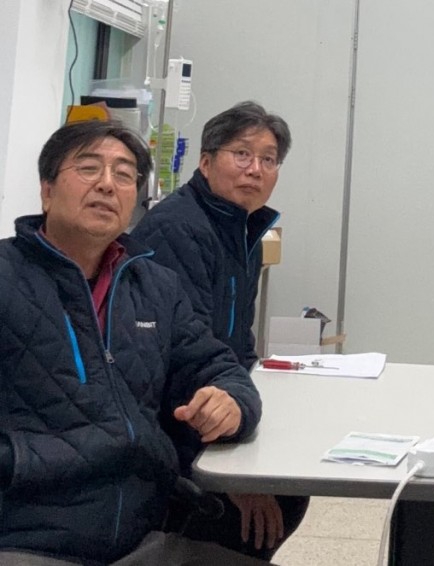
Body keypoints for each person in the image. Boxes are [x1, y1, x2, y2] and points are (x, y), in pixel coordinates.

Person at [0, 120, 268, 565]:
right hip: (28, 538)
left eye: (124, 175)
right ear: (47, 191)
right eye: (89, 169)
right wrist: (20, 463)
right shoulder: (7, 277)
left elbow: (219, 367)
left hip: (141, 537)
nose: (107, 184)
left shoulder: (155, 287)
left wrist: (232, 403)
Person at [131, 101, 308, 560]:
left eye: (269, 159)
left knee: (292, 480)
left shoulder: (239, 229)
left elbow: (237, 343)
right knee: (273, 499)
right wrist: (234, 477)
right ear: (206, 162)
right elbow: (175, 361)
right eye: (242, 154)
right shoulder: (178, 230)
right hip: (171, 424)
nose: (256, 169)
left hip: (218, 400)